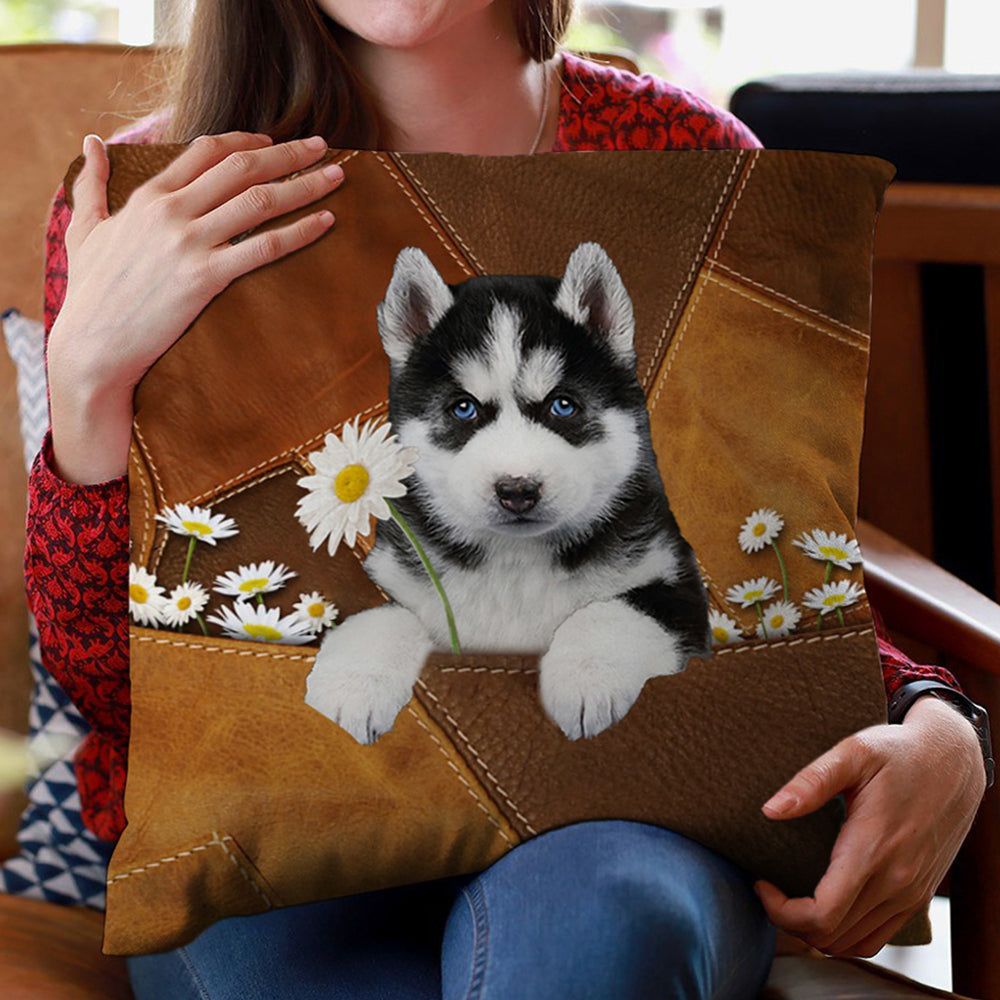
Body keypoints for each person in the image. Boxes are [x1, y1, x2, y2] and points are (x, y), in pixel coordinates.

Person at [24, 1, 987, 997]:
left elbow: (759, 555)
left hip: (618, 815)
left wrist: (935, 714)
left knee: (598, 925)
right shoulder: (156, 206)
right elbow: (106, 679)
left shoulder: (690, 167)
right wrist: (89, 382)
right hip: (277, 817)